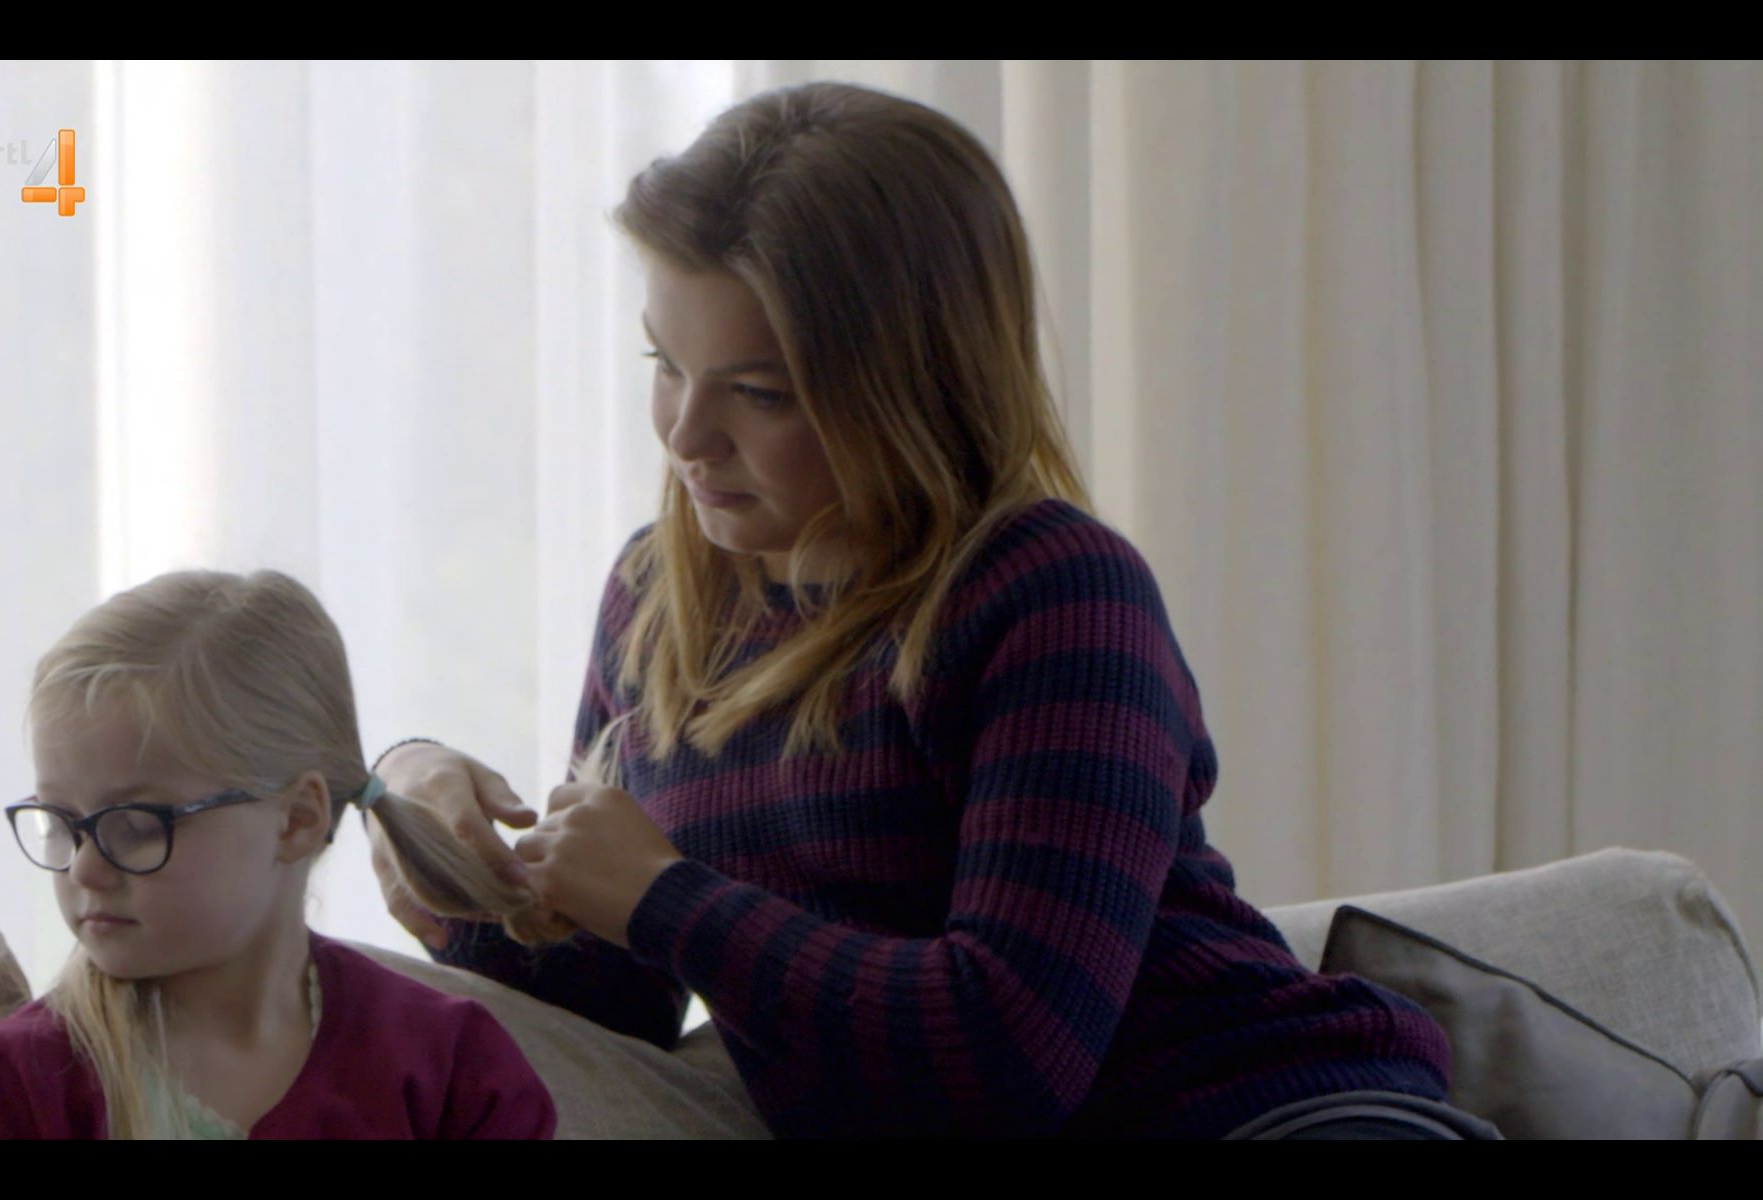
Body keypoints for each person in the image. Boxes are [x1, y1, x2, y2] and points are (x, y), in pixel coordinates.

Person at [367, 80, 1502, 1140]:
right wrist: (429, 843)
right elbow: (619, 1002)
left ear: (912, 381)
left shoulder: (1053, 593)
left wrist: (664, 896)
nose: (687, 435)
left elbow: (1012, 1056)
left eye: (759, 392)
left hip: (1271, 1113)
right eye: (666, 363)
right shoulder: (657, 600)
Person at [0, 569, 557, 1139]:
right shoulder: (25, 1077)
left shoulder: (454, 1065)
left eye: (134, 825)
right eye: (61, 822)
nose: (84, 869)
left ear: (296, 819)